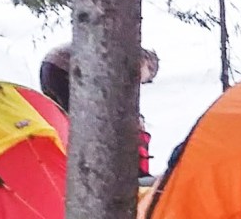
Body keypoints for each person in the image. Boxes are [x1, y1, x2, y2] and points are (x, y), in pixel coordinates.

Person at [37, 42, 159, 178]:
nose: (139, 82)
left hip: (50, 67)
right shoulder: (128, 59)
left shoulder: (121, 52)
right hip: (64, 71)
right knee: (86, 125)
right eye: (145, 79)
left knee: (66, 121)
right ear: (147, 64)